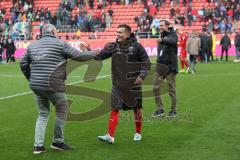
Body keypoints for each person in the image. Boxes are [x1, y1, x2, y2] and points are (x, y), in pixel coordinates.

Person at [20, 24, 97, 154]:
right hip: (54, 84)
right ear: (54, 31)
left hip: (36, 86)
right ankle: (57, 141)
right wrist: (94, 52)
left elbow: (23, 63)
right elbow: (81, 57)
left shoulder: (32, 45)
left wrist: (31, 78)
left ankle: (38, 146)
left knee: (43, 114)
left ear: (42, 32)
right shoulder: (60, 44)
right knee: (62, 109)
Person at [81, 24, 151, 144]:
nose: (117, 34)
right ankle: (110, 135)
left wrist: (141, 76)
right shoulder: (113, 46)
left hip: (134, 84)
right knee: (114, 108)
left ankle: (138, 133)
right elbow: (99, 57)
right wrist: (88, 52)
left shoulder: (137, 46)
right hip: (117, 84)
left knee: (137, 109)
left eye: (120, 32)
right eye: (117, 32)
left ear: (128, 34)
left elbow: (147, 63)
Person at [152, 20, 178, 118]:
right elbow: (160, 51)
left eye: (162, 25)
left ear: (167, 26)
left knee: (171, 90)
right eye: (159, 25)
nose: (160, 27)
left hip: (170, 66)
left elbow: (172, 41)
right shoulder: (161, 35)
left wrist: (162, 40)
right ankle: (160, 109)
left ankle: (173, 111)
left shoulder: (173, 35)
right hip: (160, 66)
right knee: (155, 88)